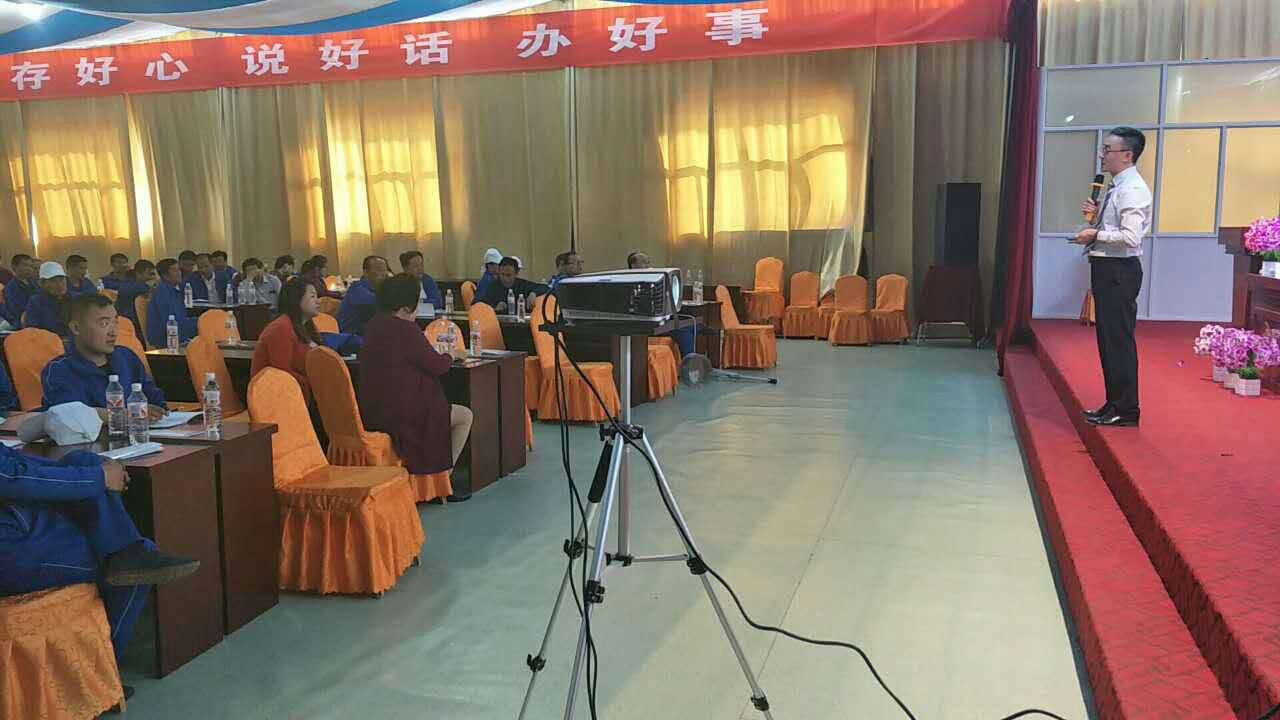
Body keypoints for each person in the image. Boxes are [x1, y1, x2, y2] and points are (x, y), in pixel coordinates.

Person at [0, 439, 200, 688]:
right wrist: (98, 478)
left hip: (20, 522)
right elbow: (10, 476)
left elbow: (14, 459)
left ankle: (126, 551)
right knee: (135, 566)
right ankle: (99, 682)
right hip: (12, 547)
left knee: (82, 460)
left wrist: (91, 472)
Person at [358, 273, 474, 502]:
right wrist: (451, 355)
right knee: (464, 416)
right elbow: (438, 366)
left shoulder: (374, 324)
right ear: (406, 306)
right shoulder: (406, 330)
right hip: (405, 415)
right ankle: (443, 481)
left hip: (374, 410)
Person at [1073, 127, 1151, 428]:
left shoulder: (1133, 189)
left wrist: (1095, 234)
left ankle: (1127, 409)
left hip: (1120, 271)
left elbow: (1131, 237)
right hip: (1108, 268)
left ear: (1128, 155)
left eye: (1107, 150)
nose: (1102, 155)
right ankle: (1114, 404)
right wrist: (1095, 218)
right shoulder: (1118, 186)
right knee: (1108, 341)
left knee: (1118, 341)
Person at [41, 294, 168, 419]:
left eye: (115, 323)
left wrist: (161, 412)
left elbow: (153, 397)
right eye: (104, 324)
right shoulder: (59, 370)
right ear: (76, 328)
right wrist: (128, 414)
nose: (114, 332)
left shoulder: (127, 358)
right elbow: (70, 415)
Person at [251, 278, 321, 394]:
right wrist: (313, 382)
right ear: (296, 299)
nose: (318, 301)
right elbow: (282, 373)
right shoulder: (280, 328)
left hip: (300, 389)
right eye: (312, 296)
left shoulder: (306, 326)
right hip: (277, 394)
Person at [627, 251, 696, 357]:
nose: (648, 265)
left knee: (691, 324)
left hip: (661, 319)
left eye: (648, 262)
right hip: (647, 325)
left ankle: (693, 361)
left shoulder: (653, 280)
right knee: (684, 331)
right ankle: (690, 364)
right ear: (634, 266)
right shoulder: (631, 284)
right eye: (644, 262)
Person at [146, 259, 197, 348]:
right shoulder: (163, 292)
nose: (179, 273)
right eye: (175, 270)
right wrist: (199, 322)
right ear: (165, 276)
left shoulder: (174, 290)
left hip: (177, 333)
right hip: (166, 340)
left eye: (179, 269)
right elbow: (172, 320)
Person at [336, 256, 390, 336]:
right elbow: (383, 305)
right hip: (352, 337)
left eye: (385, 270)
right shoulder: (358, 290)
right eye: (379, 269)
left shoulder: (378, 289)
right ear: (365, 272)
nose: (384, 274)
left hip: (367, 333)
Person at [475, 257, 548, 313]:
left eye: (509, 275)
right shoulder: (492, 288)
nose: (505, 278)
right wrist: (494, 309)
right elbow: (477, 306)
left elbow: (545, 288)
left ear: (516, 274)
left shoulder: (523, 285)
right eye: (502, 274)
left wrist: (534, 293)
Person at [21, 261, 72, 336]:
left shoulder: (76, 299)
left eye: (61, 279)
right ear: (42, 283)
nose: (59, 285)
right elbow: (33, 330)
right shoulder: (36, 302)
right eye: (53, 281)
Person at [115, 259, 158, 331]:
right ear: (138, 274)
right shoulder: (127, 285)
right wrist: (147, 286)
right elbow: (127, 290)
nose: (152, 277)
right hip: (129, 324)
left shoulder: (147, 285)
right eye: (150, 274)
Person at [1, 253, 38, 329]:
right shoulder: (11, 288)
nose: (29, 268)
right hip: (21, 324)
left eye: (30, 266)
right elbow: (15, 311)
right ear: (14, 267)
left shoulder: (34, 284)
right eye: (25, 265)